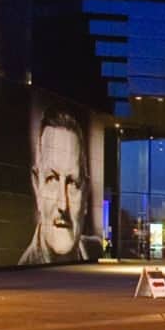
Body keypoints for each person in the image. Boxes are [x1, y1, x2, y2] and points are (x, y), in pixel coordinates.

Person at [19, 106, 99, 265]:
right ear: (37, 187)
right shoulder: (25, 265)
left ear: (85, 194)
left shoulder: (95, 248)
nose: (63, 204)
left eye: (72, 183)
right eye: (52, 179)